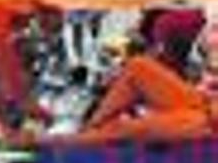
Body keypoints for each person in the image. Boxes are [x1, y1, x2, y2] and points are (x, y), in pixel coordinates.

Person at [72, 8, 214, 142]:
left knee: (126, 129)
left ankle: (83, 140)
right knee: (138, 66)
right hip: (205, 105)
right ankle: (90, 130)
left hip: (207, 121)